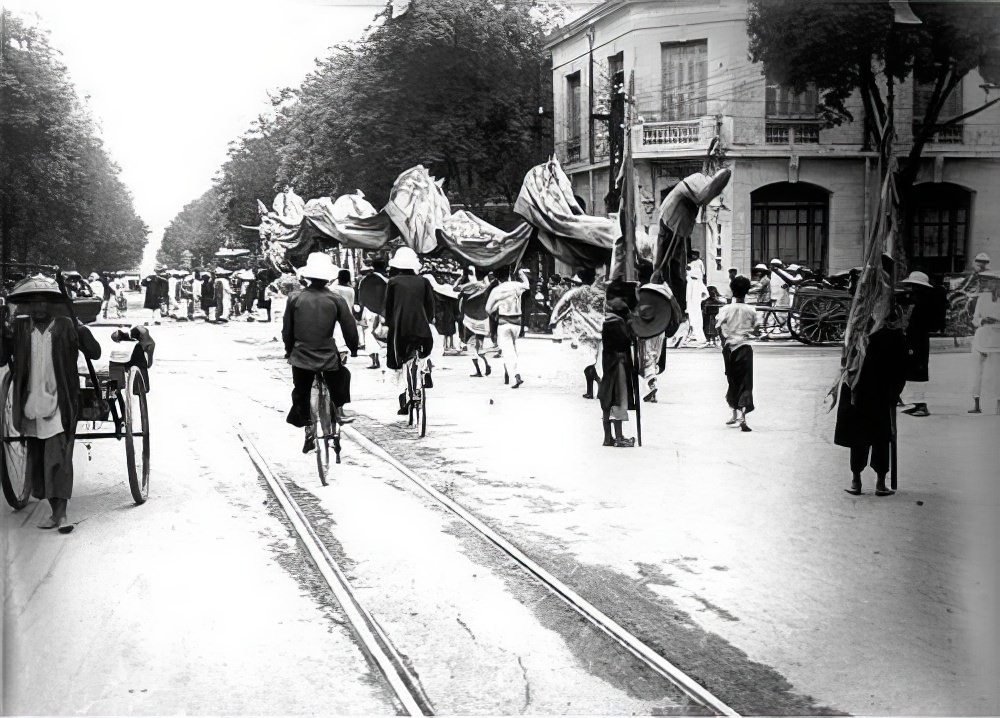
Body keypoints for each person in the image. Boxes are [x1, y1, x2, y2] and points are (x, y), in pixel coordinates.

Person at [2, 276, 102, 529]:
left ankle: (61, 514)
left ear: (51, 305)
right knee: (38, 456)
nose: (38, 308)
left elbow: (95, 352)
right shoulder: (20, 329)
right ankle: (54, 510)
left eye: (43, 303)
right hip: (30, 403)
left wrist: (80, 328)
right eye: (33, 303)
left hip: (61, 401)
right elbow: (2, 358)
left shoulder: (66, 326)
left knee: (58, 456)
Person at [282, 252, 358, 453]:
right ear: (328, 277)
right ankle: (339, 412)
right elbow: (350, 328)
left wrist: (289, 351)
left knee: (301, 390)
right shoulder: (335, 299)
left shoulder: (294, 298)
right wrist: (354, 348)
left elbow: (287, 330)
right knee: (342, 377)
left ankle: (307, 426)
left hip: (301, 356)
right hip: (327, 356)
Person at [835, 312, 908, 497]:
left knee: (859, 436)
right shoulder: (894, 335)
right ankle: (879, 483)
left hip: (858, 391)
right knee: (881, 436)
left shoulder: (857, 331)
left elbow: (846, 362)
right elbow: (901, 369)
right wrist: (895, 393)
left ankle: (856, 481)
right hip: (878, 392)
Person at [384, 247, 435, 415]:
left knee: (399, 363)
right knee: (424, 353)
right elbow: (430, 308)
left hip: (400, 331)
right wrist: (427, 321)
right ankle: (425, 370)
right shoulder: (424, 282)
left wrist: (390, 324)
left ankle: (404, 398)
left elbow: (388, 309)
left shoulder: (393, 282)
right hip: (422, 330)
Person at [549, 267, 604, 398]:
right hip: (600, 330)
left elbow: (562, 306)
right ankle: (595, 387)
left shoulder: (575, 293)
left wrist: (554, 320)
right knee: (596, 361)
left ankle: (596, 386)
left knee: (588, 362)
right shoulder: (599, 293)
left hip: (584, 332)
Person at [899, 271, 946, 417]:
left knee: (917, 371)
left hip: (918, 339)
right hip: (917, 338)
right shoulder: (922, 301)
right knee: (913, 370)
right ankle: (916, 403)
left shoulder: (924, 302)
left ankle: (921, 404)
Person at [716, 275, 757, 432]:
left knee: (731, 379)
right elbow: (756, 328)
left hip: (729, 348)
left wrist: (723, 343)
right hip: (745, 348)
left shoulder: (725, 309)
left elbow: (719, 327)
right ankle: (742, 416)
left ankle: (735, 413)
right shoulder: (751, 310)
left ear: (732, 290)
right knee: (745, 382)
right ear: (747, 291)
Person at [598, 297, 636, 447]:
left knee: (607, 400)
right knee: (618, 400)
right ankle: (619, 438)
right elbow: (626, 341)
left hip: (609, 364)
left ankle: (608, 438)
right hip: (618, 364)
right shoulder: (617, 323)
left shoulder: (607, 322)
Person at [485, 265, 530, 388]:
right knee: (513, 349)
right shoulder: (516, 285)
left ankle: (515, 375)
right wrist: (521, 273)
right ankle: (510, 372)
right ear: (509, 274)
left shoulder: (496, 290)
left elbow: (487, 309)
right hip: (517, 322)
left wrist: (495, 314)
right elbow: (527, 285)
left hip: (503, 321)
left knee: (507, 350)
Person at [969, 270, 1000, 414]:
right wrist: (983, 320)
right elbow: (975, 320)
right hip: (981, 336)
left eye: (993, 281)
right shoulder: (982, 299)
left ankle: (998, 404)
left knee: (997, 373)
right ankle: (976, 403)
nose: (990, 284)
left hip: (997, 338)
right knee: (976, 371)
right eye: (988, 281)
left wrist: (997, 321)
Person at [457, 266, 496, 378]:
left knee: (470, 345)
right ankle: (486, 364)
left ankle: (478, 370)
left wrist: (460, 279)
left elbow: (455, 288)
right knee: (479, 345)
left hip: (469, 319)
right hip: (482, 319)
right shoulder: (484, 287)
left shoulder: (465, 287)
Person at [684, 265, 709, 346]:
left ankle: (697, 336)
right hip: (692, 304)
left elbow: (705, 294)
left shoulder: (695, 282)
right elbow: (705, 295)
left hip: (695, 304)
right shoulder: (692, 282)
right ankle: (694, 335)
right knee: (693, 319)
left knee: (696, 319)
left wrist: (699, 300)